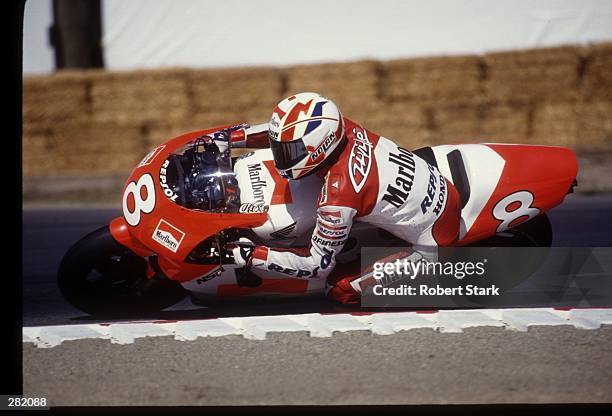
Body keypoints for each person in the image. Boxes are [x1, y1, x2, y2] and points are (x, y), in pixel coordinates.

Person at [229, 92, 462, 304]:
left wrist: (249, 254)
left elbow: (315, 264)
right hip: (427, 184)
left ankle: (433, 282)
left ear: (319, 147)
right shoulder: (341, 128)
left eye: (289, 152)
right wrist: (233, 138)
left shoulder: (340, 193)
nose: (280, 156)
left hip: (434, 241)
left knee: (339, 289)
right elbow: (276, 133)